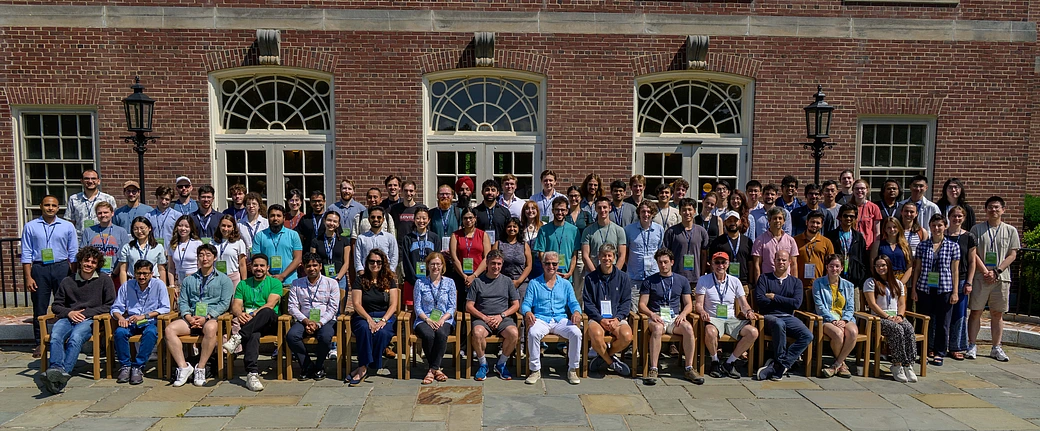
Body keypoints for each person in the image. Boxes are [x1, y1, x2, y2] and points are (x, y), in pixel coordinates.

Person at [40, 246, 115, 393]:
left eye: (93, 262)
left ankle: (60, 375)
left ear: (97, 265)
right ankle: (56, 370)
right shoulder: (68, 281)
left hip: (90, 319)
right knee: (55, 336)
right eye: (86, 261)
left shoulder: (104, 280)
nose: (89, 264)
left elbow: (110, 305)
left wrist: (87, 313)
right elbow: (56, 306)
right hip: (68, 318)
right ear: (80, 261)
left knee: (76, 338)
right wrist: (70, 313)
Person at [166, 244, 235, 387]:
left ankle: (201, 367)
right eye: (201, 255)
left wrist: (207, 317)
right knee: (169, 329)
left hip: (212, 318)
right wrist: (188, 317)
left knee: (210, 328)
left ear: (214, 258)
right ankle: (183, 367)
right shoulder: (189, 280)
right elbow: (183, 301)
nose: (204, 258)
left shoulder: (224, 280)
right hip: (191, 317)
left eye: (208, 255)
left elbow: (224, 303)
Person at [22, 196, 79, 355]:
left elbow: (73, 251)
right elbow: (26, 253)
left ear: (58, 208)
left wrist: (74, 274)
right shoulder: (30, 226)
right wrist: (28, 277)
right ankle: (40, 342)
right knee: (39, 306)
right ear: (41, 206)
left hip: (61, 267)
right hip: (39, 268)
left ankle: (64, 340)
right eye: (47, 205)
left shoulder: (67, 226)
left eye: (54, 205)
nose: (50, 208)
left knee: (65, 306)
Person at [968, 196, 1020, 362]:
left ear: (1003, 210)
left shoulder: (1010, 230)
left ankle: (996, 347)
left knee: (997, 313)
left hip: (1001, 278)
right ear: (985, 210)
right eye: (990, 207)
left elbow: (1012, 254)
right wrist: (985, 271)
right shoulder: (976, 229)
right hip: (981, 277)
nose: (993, 210)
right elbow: (973, 253)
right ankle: (971, 345)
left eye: (997, 207)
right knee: (976, 311)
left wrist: (997, 271)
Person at [639, 249, 702, 385]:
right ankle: (653, 368)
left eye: (666, 262)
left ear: (672, 262)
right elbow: (642, 305)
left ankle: (689, 367)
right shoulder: (649, 281)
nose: (663, 265)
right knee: (657, 329)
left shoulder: (682, 280)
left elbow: (688, 304)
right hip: (657, 316)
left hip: (674, 317)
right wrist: (652, 314)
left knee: (688, 328)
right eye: (660, 262)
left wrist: (683, 314)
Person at [222, 254, 283, 391]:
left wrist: (253, 315)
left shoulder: (275, 283)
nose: (258, 268)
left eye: (262, 265)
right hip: (250, 325)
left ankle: (238, 337)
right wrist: (240, 314)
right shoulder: (243, 284)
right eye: (255, 265)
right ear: (251, 267)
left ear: (267, 267)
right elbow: (236, 306)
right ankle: (252, 374)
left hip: (270, 323)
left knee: (266, 311)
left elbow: (271, 304)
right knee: (253, 334)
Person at [522, 251, 583, 385]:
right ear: (542, 264)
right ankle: (535, 369)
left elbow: (573, 302)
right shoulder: (534, 283)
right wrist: (527, 312)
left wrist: (576, 312)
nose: (551, 266)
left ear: (558, 265)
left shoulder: (566, 284)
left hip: (560, 319)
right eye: (547, 263)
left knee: (576, 333)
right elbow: (526, 304)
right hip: (541, 318)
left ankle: (572, 369)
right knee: (533, 333)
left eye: (554, 264)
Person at [696, 251, 759, 379]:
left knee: (753, 332)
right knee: (710, 332)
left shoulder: (735, 281)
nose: (720, 265)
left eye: (723, 262)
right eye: (717, 262)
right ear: (712, 264)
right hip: (713, 318)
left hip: (731, 319)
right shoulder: (704, 280)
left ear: (728, 264)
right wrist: (702, 312)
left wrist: (749, 311)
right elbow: (698, 304)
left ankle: (729, 363)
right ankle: (714, 361)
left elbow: (744, 304)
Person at [754, 251, 813, 381]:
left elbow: (796, 303)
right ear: (774, 261)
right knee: (779, 324)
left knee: (807, 335)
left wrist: (774, 297)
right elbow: (760, 300)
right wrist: (786, 301)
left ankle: (779, 365)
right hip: (769, 317)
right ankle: (780, 364)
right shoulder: (764, 278)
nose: (781, 262)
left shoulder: (796, 282)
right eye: (778, 260)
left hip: (789, 317)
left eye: (784, 260)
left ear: (789, 262)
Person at [911, 214, 960, 365]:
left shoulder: (953, 246)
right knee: (923, 322)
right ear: (930, 227)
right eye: (934, 225)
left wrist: (955, 292)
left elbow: (955, 271)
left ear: (945, 226)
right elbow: (917, 269)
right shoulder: (922, 246)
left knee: (943, 323)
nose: (936, 228)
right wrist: (914, 289)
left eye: (940, 225)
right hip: (924, 288)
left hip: (944, 289)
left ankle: (939, 352)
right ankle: (923, 351)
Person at [111, 260, 170, 385]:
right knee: (120, 332)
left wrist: (144, 316)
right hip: (131, 321)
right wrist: (120, 318)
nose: (142, 277)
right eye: (139, 273)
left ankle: (138, 366)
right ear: (134, 273)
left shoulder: (159, 285)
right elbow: (116, 307)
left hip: (150, 320)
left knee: (151, 333)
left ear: (151, 274)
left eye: (145, 274)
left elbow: (165, 308)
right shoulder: (127, 286)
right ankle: (125, 366)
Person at [862, 255, 918, 383]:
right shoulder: (870, 282)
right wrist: (887, 316)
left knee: (909, 328)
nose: (880, 268)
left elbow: (902, 304)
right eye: (877, 266)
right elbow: (872, 304)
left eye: (883, 265)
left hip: (896, 316)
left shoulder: (898, 283)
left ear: (888, 266)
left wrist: (900, 316)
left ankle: (908, 364)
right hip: (878, 319)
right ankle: (897, 364)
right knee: (897, 330)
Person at [348, 249, 399, 385]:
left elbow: (393, 305)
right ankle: (363, 367)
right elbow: (357, 304)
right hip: (364, 315)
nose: (375, 264)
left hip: (385, 316)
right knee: (364, 329)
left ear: (383, 263)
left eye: (378, 262)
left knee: (382, 332)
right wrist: (369, 319)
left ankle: (367, 365)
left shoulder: (389, 280)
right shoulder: (360, 280)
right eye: (372, 261)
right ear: (367, 263)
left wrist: (383, 320)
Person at [467, 250, 521, 381]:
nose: (496, 267)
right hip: (482, 318)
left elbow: (516, 305)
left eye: (499, 264)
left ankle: (501, 364)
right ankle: (483, 364)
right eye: (493, 263)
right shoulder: (477, 282)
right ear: (487, 263)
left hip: (502, 318)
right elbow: (469, 306)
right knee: (477, 333)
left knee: (514, 333)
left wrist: (501, 315)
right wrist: (484, 318)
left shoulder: (507, 281)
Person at [286, 253, 340, 381]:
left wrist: (319, 323)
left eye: (315, 265)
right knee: (292, 336)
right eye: (308, 266)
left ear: (320, 266)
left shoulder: (331, 283)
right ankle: (307, 366)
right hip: (304, 319)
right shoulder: (296, 284)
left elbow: (333, 308)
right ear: (304, 268)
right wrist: (306, 321)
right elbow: (292, 307)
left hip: (325, 320)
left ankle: (319, 366)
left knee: (326, 336)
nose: (312, 268)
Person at [582, 244, 633, 376]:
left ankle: (603, 357)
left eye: (610, 256)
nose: (607, 258)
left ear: (614, 258)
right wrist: (601, 319)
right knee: (597, 335)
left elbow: (626, 301)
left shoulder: (623, 277)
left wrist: (618, 318)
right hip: (597, 318)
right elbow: (588, 303)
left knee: (627, 336)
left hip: (617, 318)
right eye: (604, 256)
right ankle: (611, 363)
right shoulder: (590, 278)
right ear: (599, 257)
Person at [412, 251, 457, 384]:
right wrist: (428, 320)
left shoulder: (450, 282)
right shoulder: (420, 283)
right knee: (429, 335)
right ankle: (436, 369)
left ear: (443, 266)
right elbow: (417, 307)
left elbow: (452, 306)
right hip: (424, 319)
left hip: (445, 318)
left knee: (441, 334)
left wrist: (442, 319)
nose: (435, 267)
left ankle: (432, 370)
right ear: (427, 265)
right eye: (432, 264)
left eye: (438, 264)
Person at [812, 254, 858, 378]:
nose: (834, 269)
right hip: (826, 318)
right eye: (831, 266)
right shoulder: (818, 283)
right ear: (827, 267)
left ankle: (836, 365)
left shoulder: (849, 285)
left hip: (844, 318)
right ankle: (842, 365)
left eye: (837, 266)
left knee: (853, 332)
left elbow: (850, 307)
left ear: (842, 268)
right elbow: (820, 307)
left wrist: (844, 320)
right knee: (838, 333)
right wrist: (833, 320)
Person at [946, 206, 979, 360]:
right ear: (949, 217)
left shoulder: (969, 237)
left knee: (959, 315)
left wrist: (969, 282)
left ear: (964, 218)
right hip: (943, 279)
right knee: (941, 313)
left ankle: (956, 346)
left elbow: (972, 261)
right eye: (954, 216)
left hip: (961, 279)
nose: (956, 219)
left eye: (960, 216)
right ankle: (937, 345)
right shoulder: (942, 233)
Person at [251, 204, 304, 285]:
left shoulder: (293, 235)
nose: (275, 218)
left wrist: (283, 275)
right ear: (268, 218)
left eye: (278, 216)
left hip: (289, 281)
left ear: (284, 218)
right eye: (272, 216)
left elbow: (298, 259)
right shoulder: (260, 236)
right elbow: (256, 259)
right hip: (266, 281)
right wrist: (269, 276)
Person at [533, 197, 581, 287]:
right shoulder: (544, 230)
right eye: (557, 210)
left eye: (562, 210)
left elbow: (574, 255)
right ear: (552, 211)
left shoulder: (574, 230)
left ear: (567, 211)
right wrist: (550, 269)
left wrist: (570, 273)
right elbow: (541, 254)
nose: (559, 212)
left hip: (566, 276)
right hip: (548, 276)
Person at [662, 198, 709, 283]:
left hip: (695, 279)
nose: (687, 213)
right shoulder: (671, 232)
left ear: (694, 211)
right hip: (676, 278)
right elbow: (666, 255)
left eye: (690, 209)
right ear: (679, 212)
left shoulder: (701, 231)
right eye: (684, 210)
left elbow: (704, 255)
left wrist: (702, 275)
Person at [625, 201, 665, 302]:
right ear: (639, 213)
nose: (646, 214)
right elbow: (625, 252)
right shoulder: (629, 229)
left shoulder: (659, 229)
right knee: (634, 307)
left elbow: (660, 251)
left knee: (653, 306)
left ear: (653, 214)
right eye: (643, 211)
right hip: (634, 276)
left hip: (653, 275)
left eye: (649, 212)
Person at [450, 207, 491, 306]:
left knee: (479, 303)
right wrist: (464, 276)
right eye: (465, 218)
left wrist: (474, 276)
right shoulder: (455, 235)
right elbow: (454, 258)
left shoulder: (483, 235)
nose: (468, 220)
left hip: (479, 275)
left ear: (475, 218)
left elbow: (487, 258)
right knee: (461, 304)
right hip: (461, 276)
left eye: (470, 218)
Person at [750, 208, 800, 285]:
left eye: (780, 218)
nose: (777, 221)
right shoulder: (760, 240)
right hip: (767, 281)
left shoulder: (790, 240)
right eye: (774, 218)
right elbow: (757, 265)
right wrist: (758, 285)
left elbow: (793, 264)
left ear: (784, 221)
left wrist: (795, 284)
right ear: (769, 221)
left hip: (786, 282)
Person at [401, 207, 438, 308]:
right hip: (412, 281)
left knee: (429, 308)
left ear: (429, 220)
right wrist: (415, 279)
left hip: (430, 281)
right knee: (411, 310)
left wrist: (430, 278)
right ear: (414, 219)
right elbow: (406, 261)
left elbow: (437, 260)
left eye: (424, 218)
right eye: (418, 218)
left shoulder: (434, 238)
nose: (421, 221)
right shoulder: (407, 238)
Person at [581, 197, 628, 275]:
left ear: (610, 208)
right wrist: (595, 274)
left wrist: (614, 274)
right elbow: (585, 255)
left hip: (612, 272)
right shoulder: (588, 231)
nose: (602, 210)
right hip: (593, 272)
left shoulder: (619, 230)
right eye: (599, 208)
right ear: (595, 209)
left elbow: (622, 255)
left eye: (605, 207)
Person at [825, 204, 870, 287]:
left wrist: (861, 276)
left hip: (854, 281)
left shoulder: (858, 237)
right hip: (834, 279)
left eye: (851, 216)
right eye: (845, 216)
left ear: (855, 218)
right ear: (840, 217)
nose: (848, 218)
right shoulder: (831, 236)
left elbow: (863, 259)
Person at [80, 201, 130, 276]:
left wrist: (114, 273)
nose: (103, 215)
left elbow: (125, 256)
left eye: (105, 212)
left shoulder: (121, 232)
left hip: (115, 273)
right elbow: (83, 254)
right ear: (96, 215)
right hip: (93, 273)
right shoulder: (88, 231)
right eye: (100, 213)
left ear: (112, 213)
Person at [115, 217, 168, 287]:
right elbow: (123, 270)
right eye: (136, 229)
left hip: (153, 283)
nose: (139, 231)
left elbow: (161, 270)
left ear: (149, 228)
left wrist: (163, 287)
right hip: (133, 283)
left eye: (142, 228)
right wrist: (124, 287)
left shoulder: (158, 247)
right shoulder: (127, 247)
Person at [65, 169, 117, 237]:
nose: (90, 181)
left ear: (98, 181)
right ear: (81, 181)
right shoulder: (74, 199)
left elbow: (114, 221)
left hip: (102, 238)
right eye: (86, 178)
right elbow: (70, 222)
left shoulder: (108, 199)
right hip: (80, 238)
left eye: (93, 178)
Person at [708, 212, 754, 286]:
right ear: (724, 223)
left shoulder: (747, 241)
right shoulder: (717, 242)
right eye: (729, 221)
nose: (732, 223)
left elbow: (750, 263)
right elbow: (712, 263)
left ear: (740, 222)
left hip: (743, 283)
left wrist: (751, 283)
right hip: (722, 283)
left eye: (735, 221)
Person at [493, 217, 533, 301]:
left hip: (521, 282)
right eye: (509, 226)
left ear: (518, 229)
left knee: (522, 306)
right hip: (502, 282)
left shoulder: (524, 245)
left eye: (514, 226)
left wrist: (518, 281)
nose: (512, 229)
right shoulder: (498, 244)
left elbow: (529, 266)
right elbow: (492, 263)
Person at [354, 206, 399, 277]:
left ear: (383, 219)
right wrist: (361, 273)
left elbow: (394, 256)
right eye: (373, 217)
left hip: (385, 276)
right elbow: (357, 258)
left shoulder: (390, 238)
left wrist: (390, 272)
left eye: (379, 217)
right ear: (369, 219)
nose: (376, 219)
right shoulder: (361, 238)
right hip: (366, 276)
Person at [310, 211, 350, 289]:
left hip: (339, 278)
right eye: (329, 220)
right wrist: (319, 277)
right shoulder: (316, 241)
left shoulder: (344, 241)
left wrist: (338, 278)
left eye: (335, 221)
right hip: (322, 278)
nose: (331, 223)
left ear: (338, 224)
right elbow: (313, 261)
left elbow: (346, 263)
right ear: (324, 221)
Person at [870, 217, 914, 288]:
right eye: (889, 227)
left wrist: (900, 284)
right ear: (885, 229)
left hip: (901, 281)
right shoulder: (878, 245)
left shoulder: (906, 246)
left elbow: (909, 268)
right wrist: (883, 283)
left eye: (894, 227)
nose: (892, 229)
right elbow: (873, 266)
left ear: (899, 228)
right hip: (883, 280)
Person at [794, 211, 835, 283]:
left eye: (818, 223)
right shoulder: (795, 240)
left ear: (822, 225)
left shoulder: (827, 242)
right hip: (799, 284)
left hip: (819, 284)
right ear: (807, 222)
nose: (815, 225)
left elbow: (830, 264)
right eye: (812, 222)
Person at [212, 215, 250, 287]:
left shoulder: (239, 242)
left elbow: (242, 264)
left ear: (233, 228)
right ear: (219, 226)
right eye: (223, 225)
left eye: (229, 226)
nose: (225, 229)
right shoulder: (212, 242)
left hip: (233, 278)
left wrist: (244, 282)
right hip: (216, 277)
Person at [168, 215, 204, 290]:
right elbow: (171, 268)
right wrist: (172, 285)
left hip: (194, 281)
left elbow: (201, 266)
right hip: (178, 282)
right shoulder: (172, 245)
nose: (183, 229)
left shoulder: (197, 243)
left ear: (191, 228)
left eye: (187, 226)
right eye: (180, 226)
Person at [476, 179, 511, 243]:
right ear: (482, 192)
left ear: (497, 193)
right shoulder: (476, 212)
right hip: (480, 246)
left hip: (500, 247)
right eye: (487, 190)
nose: (490, 193)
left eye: (493, 190)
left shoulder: (505, 212)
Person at [849, 179, 882, 247]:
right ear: (853, 190)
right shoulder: (848, 207)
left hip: (868, 246)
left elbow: (877, 232)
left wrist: (875, 248)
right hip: (851, 245)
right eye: (857, 188)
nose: (859, 191)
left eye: (862, 188)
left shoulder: (874, 207)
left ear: (867, 190)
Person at [430, 185, 461, 251]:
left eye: (447, 194)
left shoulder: (458, 212)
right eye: (442, 194)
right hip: (437, 251)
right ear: (437, 196)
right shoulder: (431, 213)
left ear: (452, 196)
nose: (444, 196)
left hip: (454, 251)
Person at [520, 200, 544, 280]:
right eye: (527, 209)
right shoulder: (520, 226)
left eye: (533, 208)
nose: (530, 211)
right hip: (524, 262)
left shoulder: (543, 225)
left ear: (537, 210)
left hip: (538, 262)